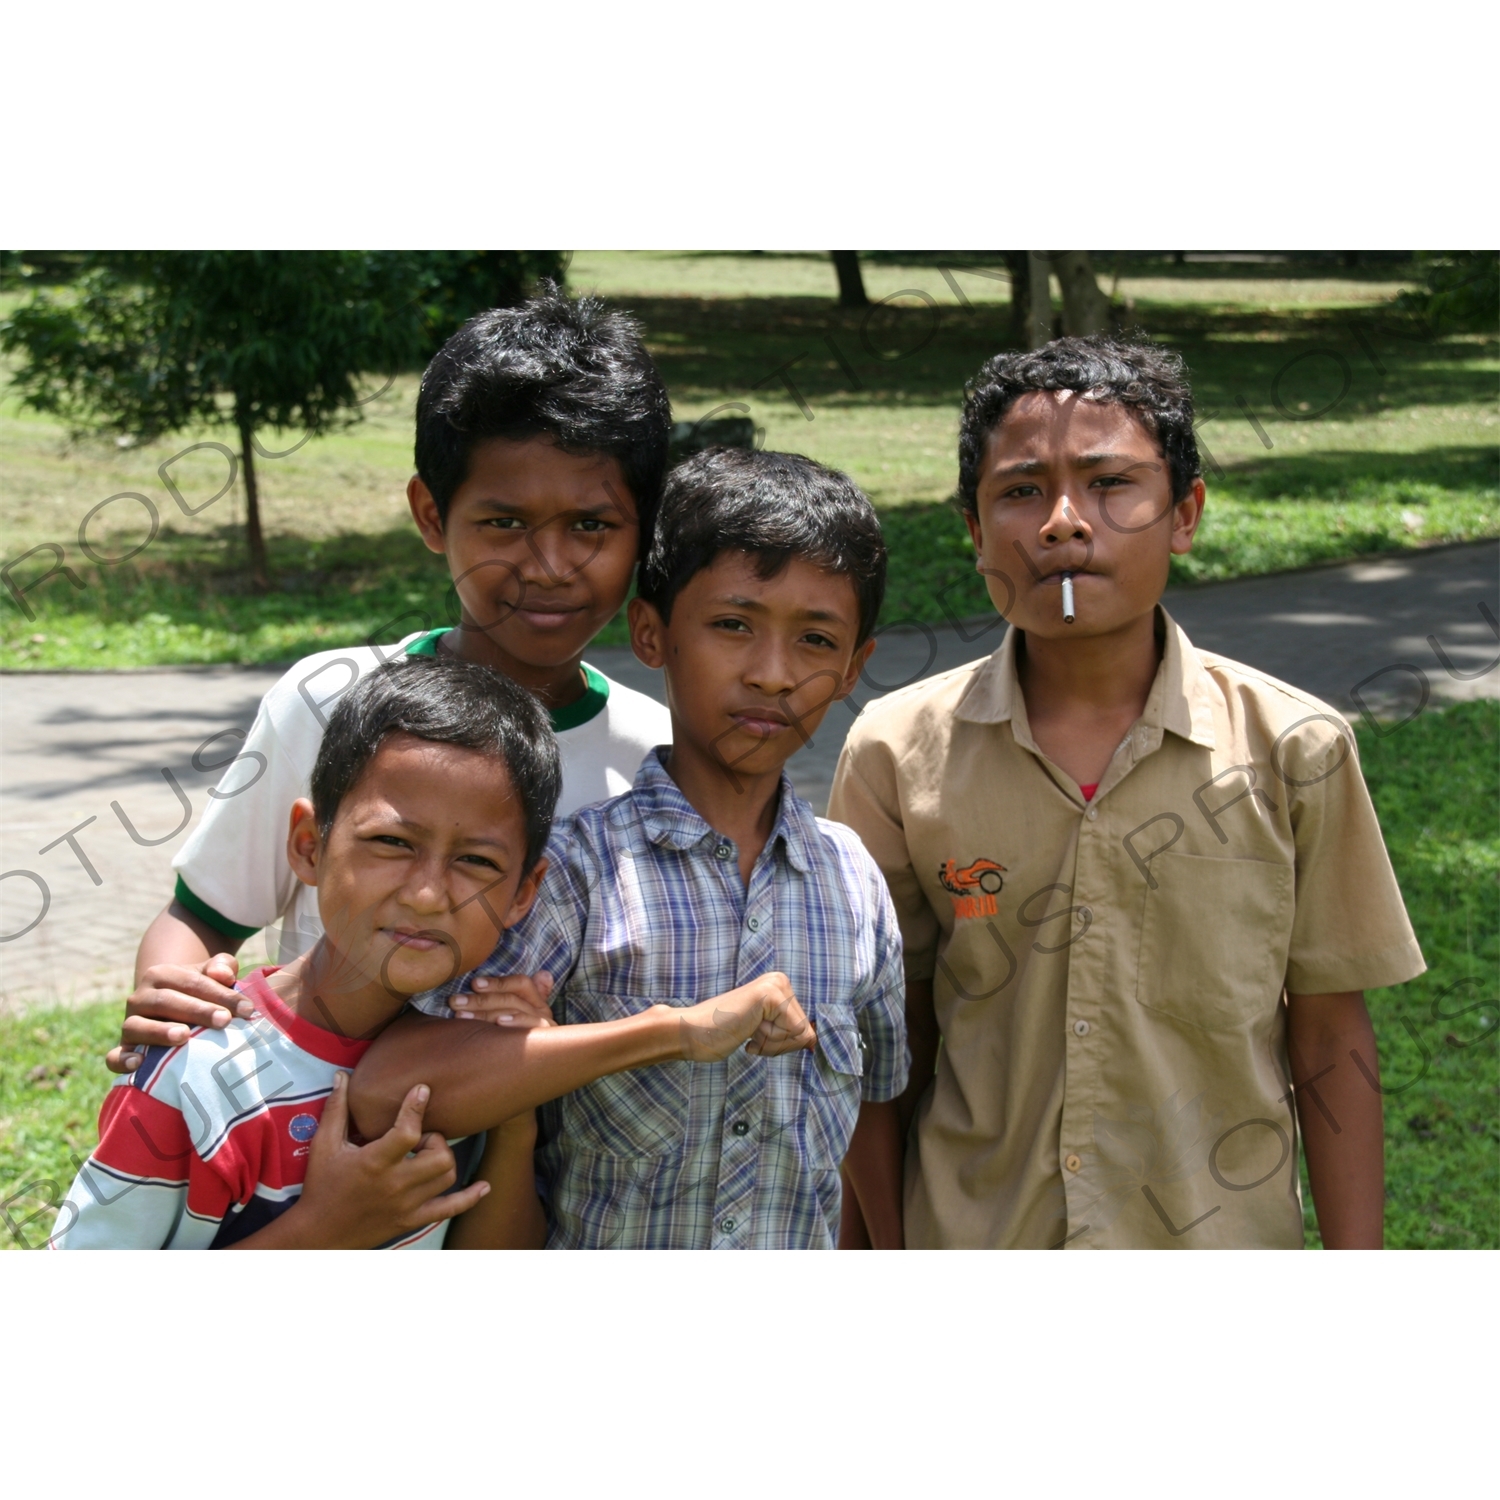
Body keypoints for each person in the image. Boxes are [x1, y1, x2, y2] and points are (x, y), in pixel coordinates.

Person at [827, 337, 1425, 1250]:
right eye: (1021, 491)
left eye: (1112, 485)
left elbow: (1329, 1039)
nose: (1064, 523)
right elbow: (882, 1042)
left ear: (1183, 514)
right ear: (973, 529)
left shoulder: (1295, 747)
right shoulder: (895, 752)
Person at [349, 449, 910, 1249]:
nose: (775, 675)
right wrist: (631, 1035)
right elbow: (393, 1085)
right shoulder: (575, 876)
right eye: (733, 626)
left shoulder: (855, 884)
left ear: (855, 668)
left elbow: (876, 1112)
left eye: (817, 641)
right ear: (651, 633)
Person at [53, 658, 811, 1249]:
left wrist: (514, 1118)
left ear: (524, 892)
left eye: (477, 862)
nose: (426, 894)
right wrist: (325, 1231)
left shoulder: (481, 1061)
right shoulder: (200, 1070)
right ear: (309, 846)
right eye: (391, 843)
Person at [106, 285, 674, 1073]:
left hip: (536, 1187)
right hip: (305, 1167)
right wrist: (172, 1004)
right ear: (432, 515)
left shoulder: (657, 757)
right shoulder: (327, 701)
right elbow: (203, 916)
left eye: (592, 526)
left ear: (643, 532)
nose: (550, 566)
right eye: (504, 522)